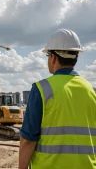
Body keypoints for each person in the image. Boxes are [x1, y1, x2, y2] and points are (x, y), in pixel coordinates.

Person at [18, 29, 96, 169]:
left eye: (48, 55)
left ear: (53, 57)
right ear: (76, 58)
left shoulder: (41, 90)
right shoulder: (90, 90)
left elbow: (28, 141)